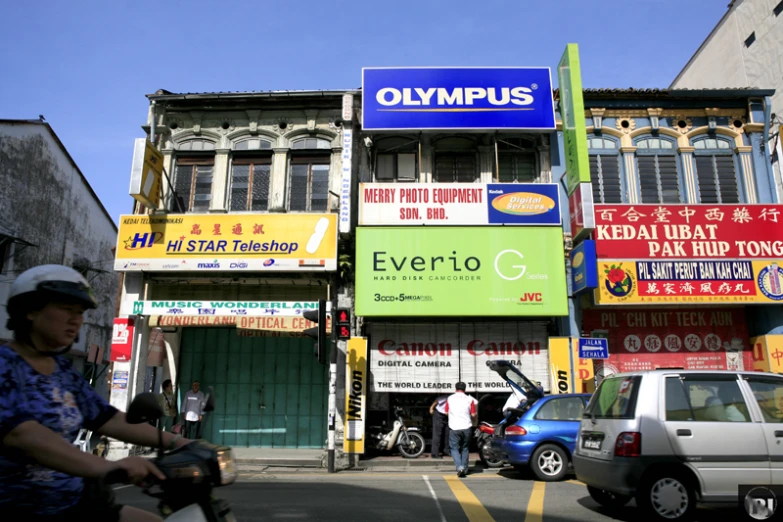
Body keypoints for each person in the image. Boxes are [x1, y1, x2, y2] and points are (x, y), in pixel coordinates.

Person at [0, 264, 193, 521]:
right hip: (20, 507)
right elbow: (22, 434)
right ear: (30, 310)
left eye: (79, 312)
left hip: (76, 503)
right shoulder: (5, 365)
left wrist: (181, 443)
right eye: (66, 309)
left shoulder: (63, 372)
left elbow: (108, 418)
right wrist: (109, 466)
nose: (76, 320)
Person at [444, 382, 478, 477]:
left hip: (454, 427)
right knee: (465, 448)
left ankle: (460, 467)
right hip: (467, 427)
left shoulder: (450, 399)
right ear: (465, 389)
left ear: (455, 389)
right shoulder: (469, 399)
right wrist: (475, 421)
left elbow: (446, 412)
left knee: (454, 448)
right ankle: (465, 469)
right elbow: (473, 415)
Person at [429, 393, 450, 459]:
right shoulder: (448, 397)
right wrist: (431, 408)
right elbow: (437, 400)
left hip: (448, 416)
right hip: (439, 414)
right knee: (437, 434)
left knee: (447, 433)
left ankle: (446, 450)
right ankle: (435, 453)